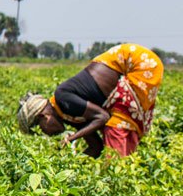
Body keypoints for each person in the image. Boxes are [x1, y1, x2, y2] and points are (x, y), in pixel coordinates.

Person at [16, 44, 163, 157]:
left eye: (42, 129)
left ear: (44, 117)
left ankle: (122, 173)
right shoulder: (72, 118)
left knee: (115, 128)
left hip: (138, 62)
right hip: (131, 66)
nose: (48, 134)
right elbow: (96, 148)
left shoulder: (63, 97)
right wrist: (70, 167)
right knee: (114, 133)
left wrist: (72, 138)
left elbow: (102, 117)